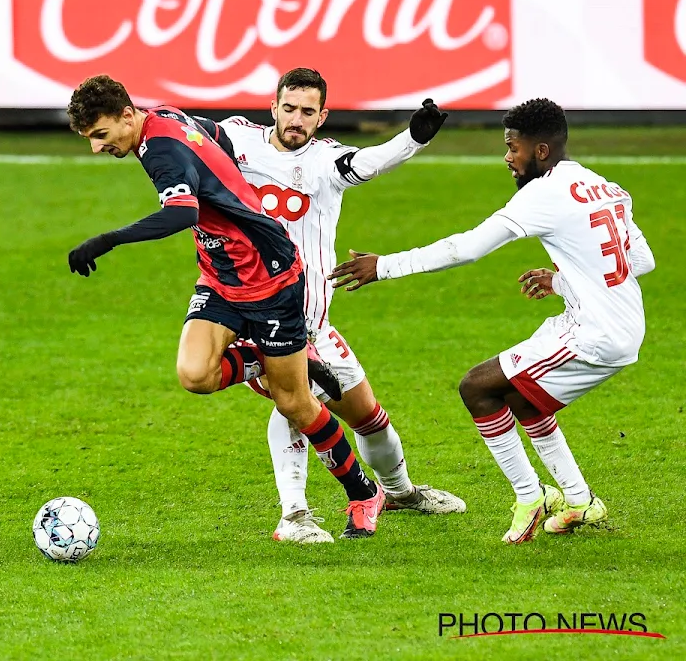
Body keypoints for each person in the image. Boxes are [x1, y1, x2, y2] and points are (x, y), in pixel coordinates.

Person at [66, 74, 385, 539]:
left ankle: (362, 493)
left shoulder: (161, 152)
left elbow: (182, 213)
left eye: (100, 135)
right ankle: (280, 358)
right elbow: (212, 135)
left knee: (292, 400)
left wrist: (107, 239)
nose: (97, 148)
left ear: (126, 115)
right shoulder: (166, 118)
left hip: (270, 274)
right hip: (220, 275)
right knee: (195, 375)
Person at [330, 98, 655, 544]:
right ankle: (580, 501)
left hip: (595, 335)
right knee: (523, 400)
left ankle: (530, 495)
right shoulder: (605, 186)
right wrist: (564, 281)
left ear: (540, 151)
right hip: (614, 319)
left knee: (477, 388)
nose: (507, 157)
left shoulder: (544, 193)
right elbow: (640, 259)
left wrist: (384, 266)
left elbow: (467, 248)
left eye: (512, 147)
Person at [203, 69, 465, 544]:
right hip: (257, 314)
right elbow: (185, 132)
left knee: (368, 415)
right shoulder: (238, 140)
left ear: (322, 116)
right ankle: (294, 516)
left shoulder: (326, 161)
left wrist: (412, 139)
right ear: (274, 106)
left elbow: (368, 162)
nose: (296, 119)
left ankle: (401, 492)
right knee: (294, 402)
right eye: (289, 108)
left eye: (308, 111)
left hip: (315, 325)